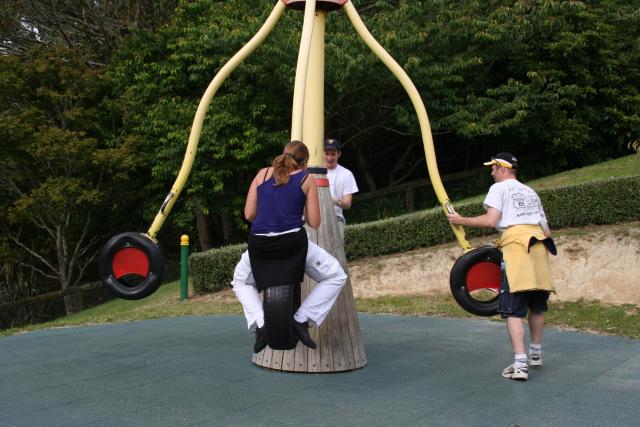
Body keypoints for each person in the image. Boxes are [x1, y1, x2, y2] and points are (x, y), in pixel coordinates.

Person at [446, 152, 556, 381]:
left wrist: (461, 220)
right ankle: (536, 354)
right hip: (540, 247)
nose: (491, 172)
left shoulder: (499, 189)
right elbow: (547, 231)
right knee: (537, 303)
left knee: (513, 308)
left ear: (503, 169)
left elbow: (490, 221)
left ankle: (520, 365)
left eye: (494, 168)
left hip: (517, 248)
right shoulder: (530, 191)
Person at [232, 140, 347, 353]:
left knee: (240, 280)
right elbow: (314, 222)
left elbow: (249, 215)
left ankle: (261, 324)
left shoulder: (262, 174)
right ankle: (301, 320)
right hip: (291, 244)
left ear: (282, 155)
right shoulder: (306, 178)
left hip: (260, 244)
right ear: (305, 163)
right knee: (336, 275)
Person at [324, 138, 359, 239]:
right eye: (327, 154)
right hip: (314, 219)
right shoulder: (313, 171)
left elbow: (347, 204)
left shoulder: (346, 174)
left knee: (336, 253)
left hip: (336, 218)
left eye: (333, 154)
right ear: (322, 153)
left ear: (339, 154)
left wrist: (335, 201)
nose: (329, 157)